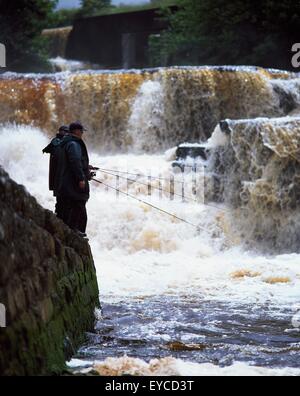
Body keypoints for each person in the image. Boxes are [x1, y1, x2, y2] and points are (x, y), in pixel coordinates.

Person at [55, 122, 92, 237]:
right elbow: (75, 161)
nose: (82, 133)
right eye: (81, 131)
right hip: (73, 184)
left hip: (65, 184)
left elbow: (71, 161)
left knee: (70, 208)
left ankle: (72, 232)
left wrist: (86, 167)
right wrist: (81, 178)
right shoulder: (73, 144)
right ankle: (76, 233)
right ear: (76, 131)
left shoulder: (64, 143)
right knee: (78, 206)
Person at [42, 125, 69, 219]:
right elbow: (47, 150)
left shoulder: (56, 141)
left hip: (57, 175)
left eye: (67, 132)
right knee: (61, 198)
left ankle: (59, 215)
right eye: (65, 131)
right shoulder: (57, 142)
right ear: (61, 132)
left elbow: (46, 150)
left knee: (60, 198)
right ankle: (60, 216)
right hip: (59, 175)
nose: (66, 133)